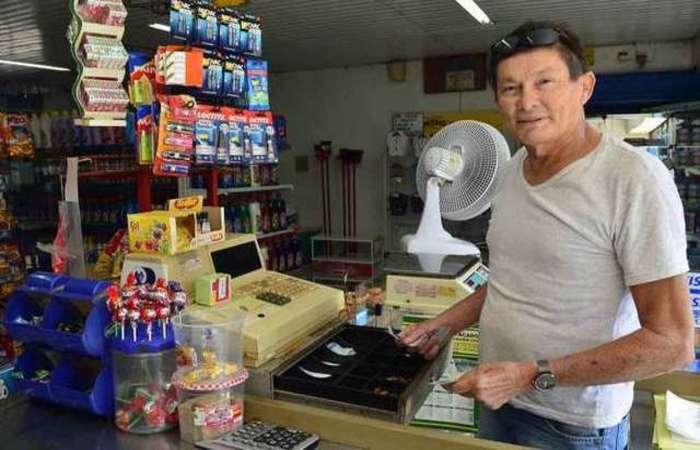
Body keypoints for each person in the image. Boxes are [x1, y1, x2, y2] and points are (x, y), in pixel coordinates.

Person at [400, 21, 695, 449]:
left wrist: (531, 375)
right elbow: (513, 279)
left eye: (545, 82)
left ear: (585, 87)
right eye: (511, 88)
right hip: (500, 405)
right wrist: (446, 323)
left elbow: (672, 343)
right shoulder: (513, 170)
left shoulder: (633, 180)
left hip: (571, 427)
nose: (527, 102)